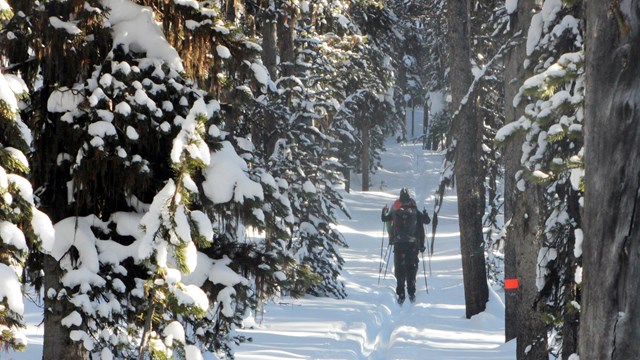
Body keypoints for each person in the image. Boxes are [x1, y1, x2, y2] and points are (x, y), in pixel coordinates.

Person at [381, 188, 430, 304]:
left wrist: (384, 210)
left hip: (398, 244)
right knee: (411, 267)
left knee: (399, 267)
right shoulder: (415, 210)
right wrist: (426, 213)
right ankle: (411, 291)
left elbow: (384, 218)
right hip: (412, 245)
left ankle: (401, 292)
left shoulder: (395, 211)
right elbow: (426, 221)